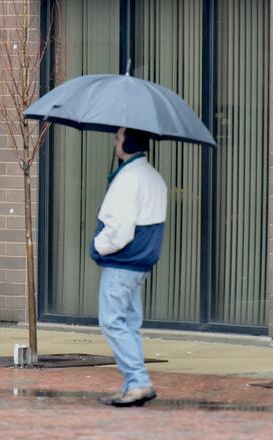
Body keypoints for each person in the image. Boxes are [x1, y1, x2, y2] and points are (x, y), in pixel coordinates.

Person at [89, 127, 167, 407]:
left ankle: (137, 381)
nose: (114, 142)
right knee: (130, 323)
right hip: (139, 264)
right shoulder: (153, 177)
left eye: (117, 137)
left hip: (121, 263)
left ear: (127, 142)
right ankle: (132, 384)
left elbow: (120, 229)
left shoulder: (128, 179)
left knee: (112, 321)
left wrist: (97, 246)